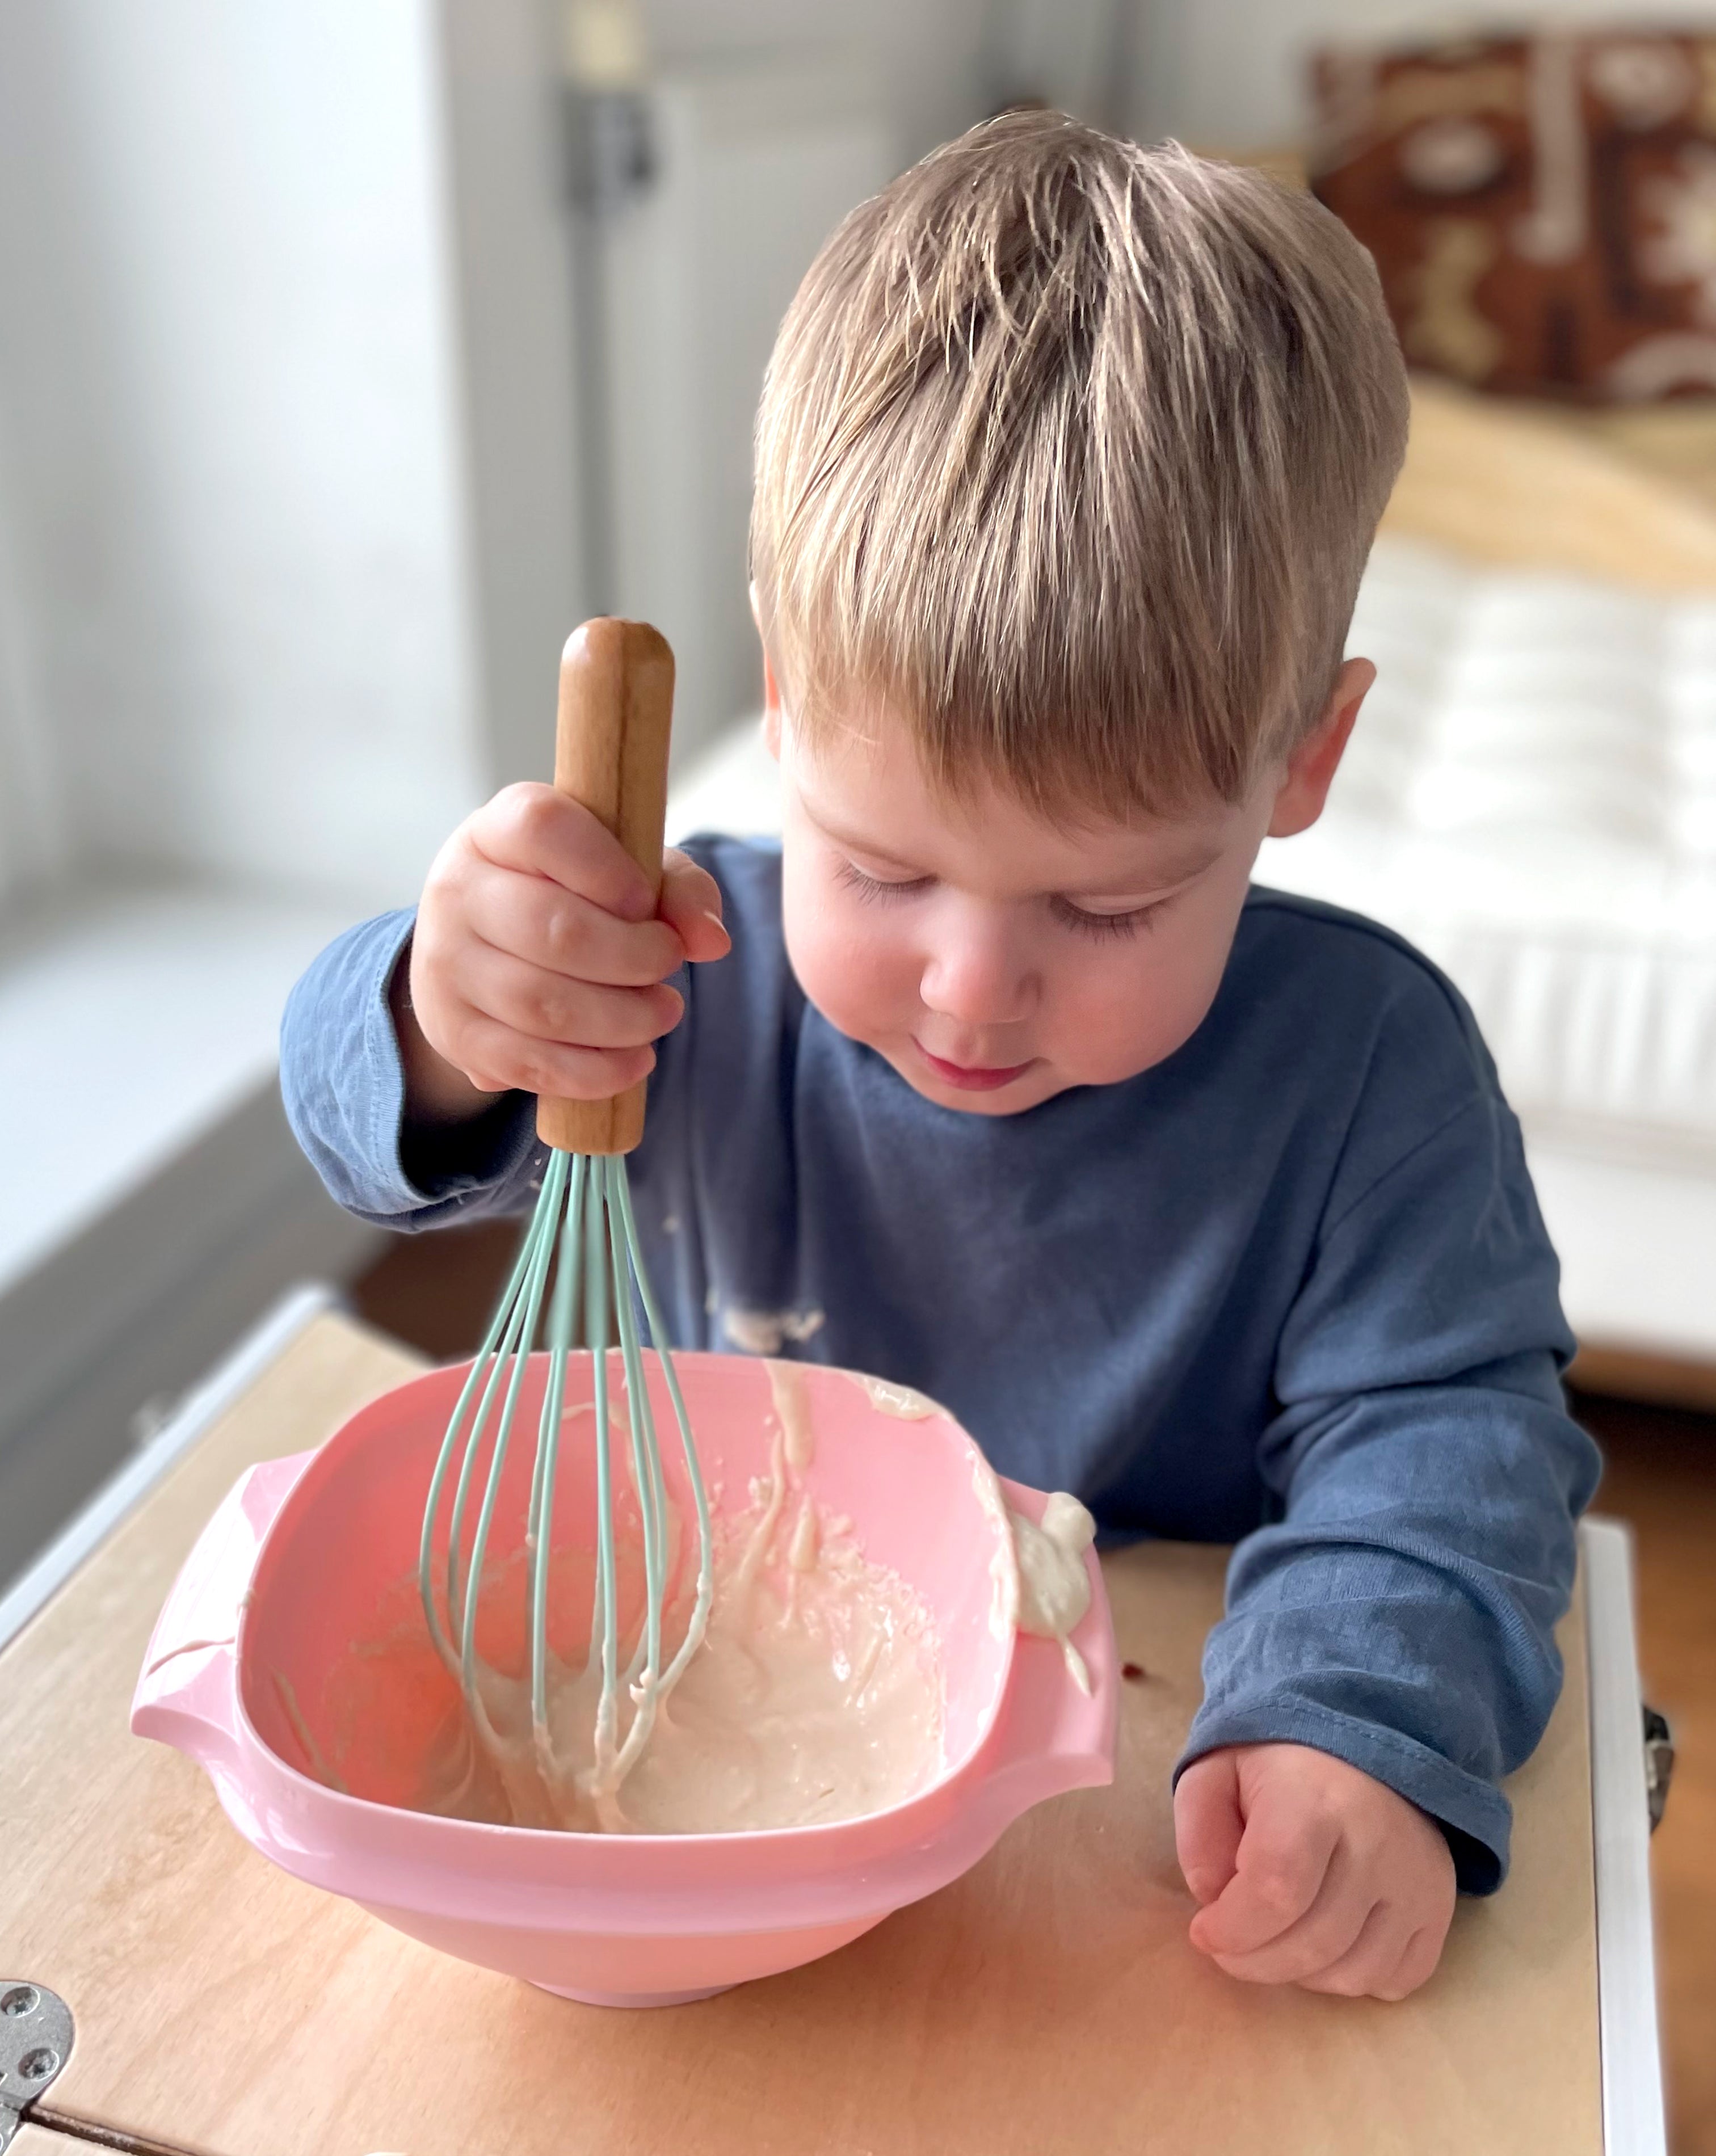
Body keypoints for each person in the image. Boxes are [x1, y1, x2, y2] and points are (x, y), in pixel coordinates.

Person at [281, 112, 1599, 2003]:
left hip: (1120, 1845)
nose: (974, 992)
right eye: (884, 867)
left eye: (1108, 909)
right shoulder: (682, 978)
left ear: (1302, 763)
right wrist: (440, 1011)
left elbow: (1457, 1446)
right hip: (696, 1819)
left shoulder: (1370, 1082)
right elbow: (348, 1119)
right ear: (788, 699)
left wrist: (1350, 1716)